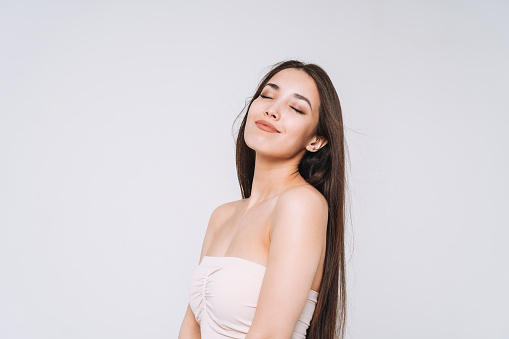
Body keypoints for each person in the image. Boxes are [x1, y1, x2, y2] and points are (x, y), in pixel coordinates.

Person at [178, 59, 348, 339]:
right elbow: (191, 327)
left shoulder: (301, 204)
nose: (272, 109)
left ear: (316, 140)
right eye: (267, 95)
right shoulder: (223, 215)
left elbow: (270, 334)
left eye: (296, 108)